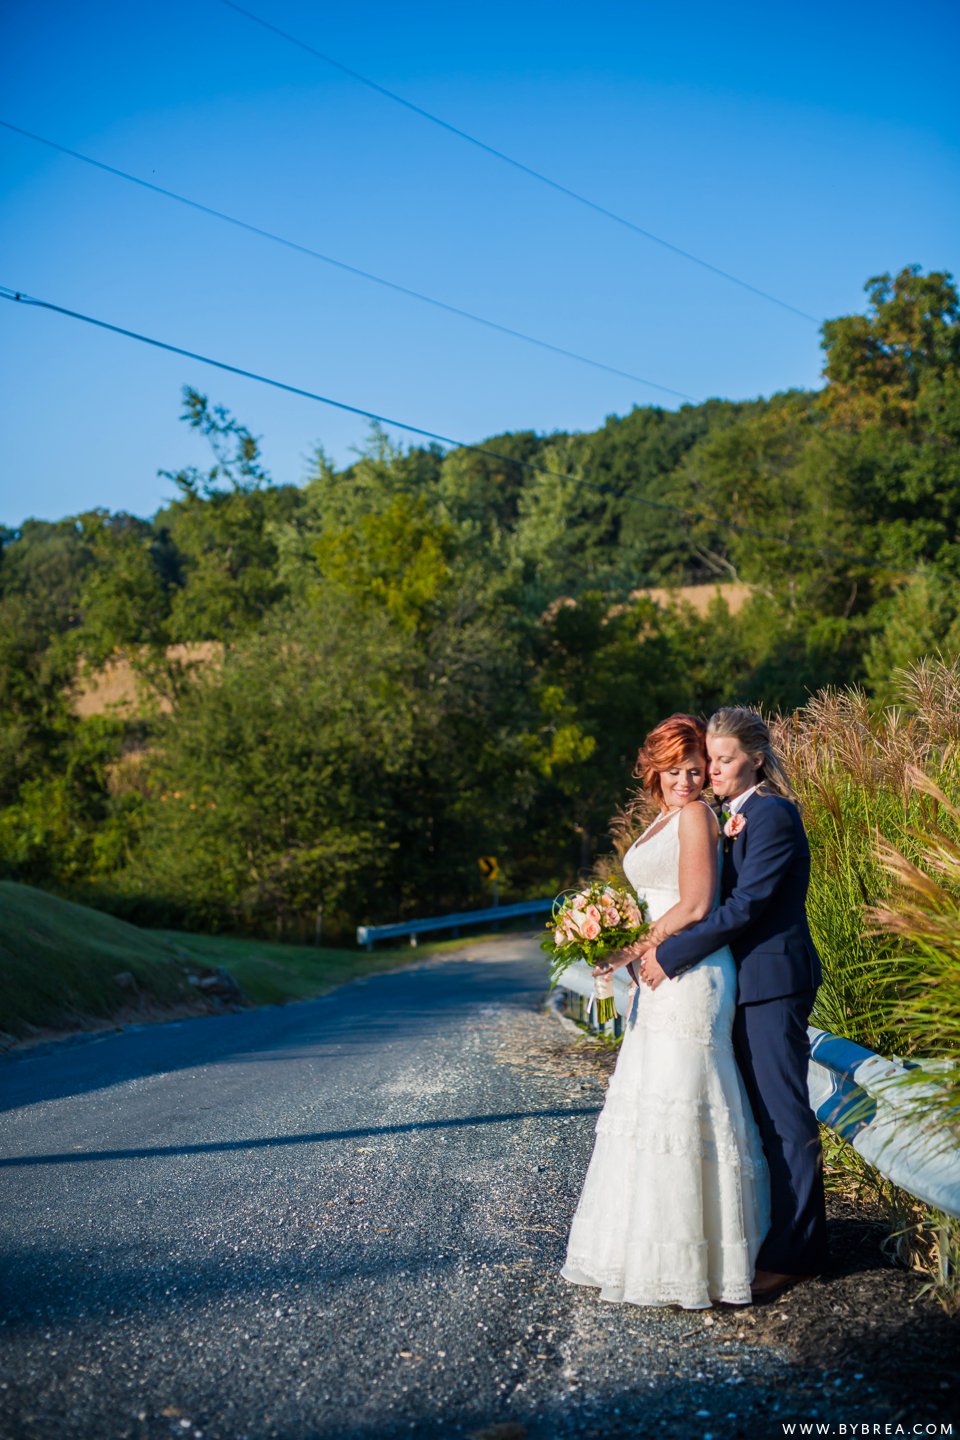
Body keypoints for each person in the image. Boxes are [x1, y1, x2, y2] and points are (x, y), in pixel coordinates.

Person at [560, 713, 770, 1310]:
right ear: (654, 769)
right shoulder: (663, 819)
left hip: (692, 972)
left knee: (686, 1102)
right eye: (675, 770)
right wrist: (611, 940)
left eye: (696, 770)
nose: (686, 780)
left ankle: (703, 1262)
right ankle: (644, 1252)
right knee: (652, 1105)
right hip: (660, 971)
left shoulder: (700, 815)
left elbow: (700, 903)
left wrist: (632, 946)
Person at [635, 707, 828, 1303]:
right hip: (743, 981)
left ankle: (799, 1253)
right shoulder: (733, 816)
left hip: (774, 981)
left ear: (756, 760)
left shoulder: (771, 814)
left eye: (723, 760)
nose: (711, 770)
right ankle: (761, 1237)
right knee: (754, 1116)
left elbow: (744, 908)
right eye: (709, 760)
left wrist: (667, 953)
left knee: (784, 1118)